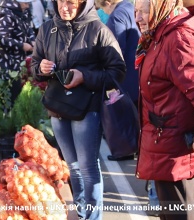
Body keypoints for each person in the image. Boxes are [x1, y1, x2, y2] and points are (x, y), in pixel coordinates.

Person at [30, 0, 126, 218]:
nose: (65, 7)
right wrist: (41, 68)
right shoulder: (47, 29)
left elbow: (118, 71)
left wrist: (85, 76)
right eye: (60, 2)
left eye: (71, 3)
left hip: (87, 109)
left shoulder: (98, 29)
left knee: (88, 167)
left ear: (84, 3)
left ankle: (92, 216)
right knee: (72, 167)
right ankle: (82, 213)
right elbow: (34, 65)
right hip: (58, 108)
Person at [134, 0, 194, 219]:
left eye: (144, 11)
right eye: (136, 11)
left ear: (162, 7)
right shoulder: (157, 35)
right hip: (164, 147)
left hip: (177, 152)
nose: (138, 17)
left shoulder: (177, 39)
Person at [96, 0, 140, 161]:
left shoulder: (116, 16)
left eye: (103, 8)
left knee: (125, 113)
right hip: (138, 70)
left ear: (107, 2)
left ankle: (126, 148)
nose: (105, 12)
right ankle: (134, 148)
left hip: (126, 75)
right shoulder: (130, 7)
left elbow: (114, 49)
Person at [0, 0, 35, 108]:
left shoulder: (22, 12)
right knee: (8, 94)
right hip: (5, 62)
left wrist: (33, 40)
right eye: (25, 3)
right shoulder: (5, 15)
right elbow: (1, 38)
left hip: (17, 61)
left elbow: (28, 29)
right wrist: (22, 45)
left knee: (16, 92)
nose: (27, 5)